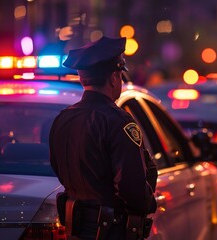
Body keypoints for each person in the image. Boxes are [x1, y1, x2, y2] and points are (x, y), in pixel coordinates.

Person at [49, 36, 158, 240]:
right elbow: (131, 187)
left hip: (75, 231)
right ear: (114, 78)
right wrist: (149, 202)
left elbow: (59, 169)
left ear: (82, 79)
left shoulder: (63, 119)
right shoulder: (119, 121)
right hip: (110, 232)